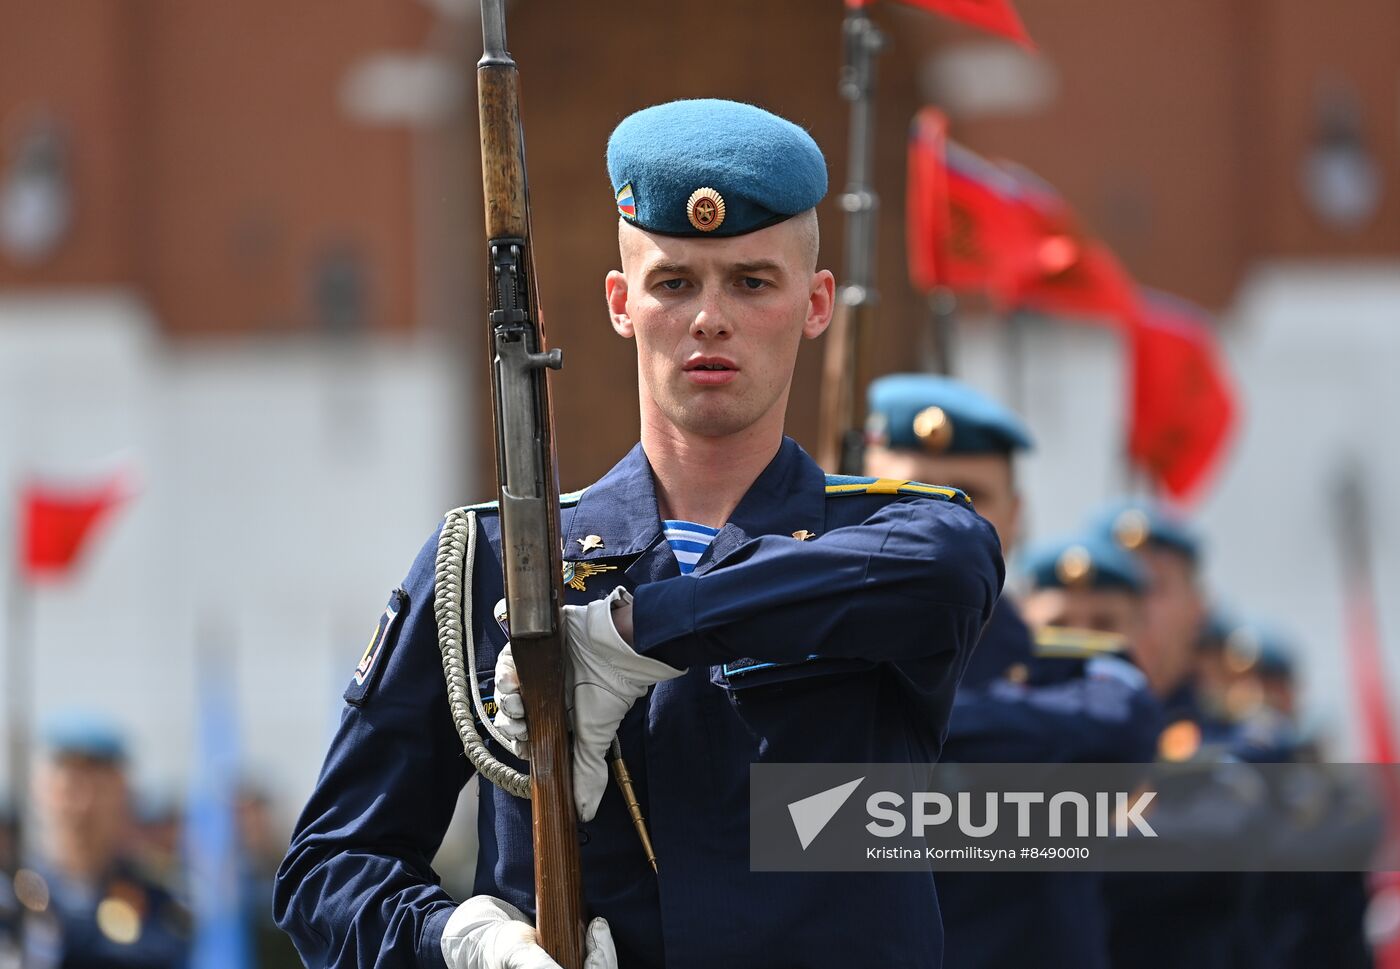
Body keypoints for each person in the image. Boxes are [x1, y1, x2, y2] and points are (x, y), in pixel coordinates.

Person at [275, 99, 1004, 969]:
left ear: (814, 305)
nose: (709, 318)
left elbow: (956, 562)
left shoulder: (888, 536)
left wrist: (634, 632)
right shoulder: (495, 560)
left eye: (751, 281)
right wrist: (459, 943)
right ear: (622, 302)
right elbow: (327, 869)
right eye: (675, 282)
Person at [863, 374, 1159, 969]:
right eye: (911, 493)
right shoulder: (797, 656)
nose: (940, 524)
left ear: (1017, 518)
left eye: (968, 497)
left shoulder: (1086, 671)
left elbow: (1115, 738)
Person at [16, 713, 189, 969]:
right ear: (40, 790)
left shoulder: (159, 904)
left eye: (99, 790)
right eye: (69, 789)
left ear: (124, 796)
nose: (83, 806)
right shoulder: (14, 896)